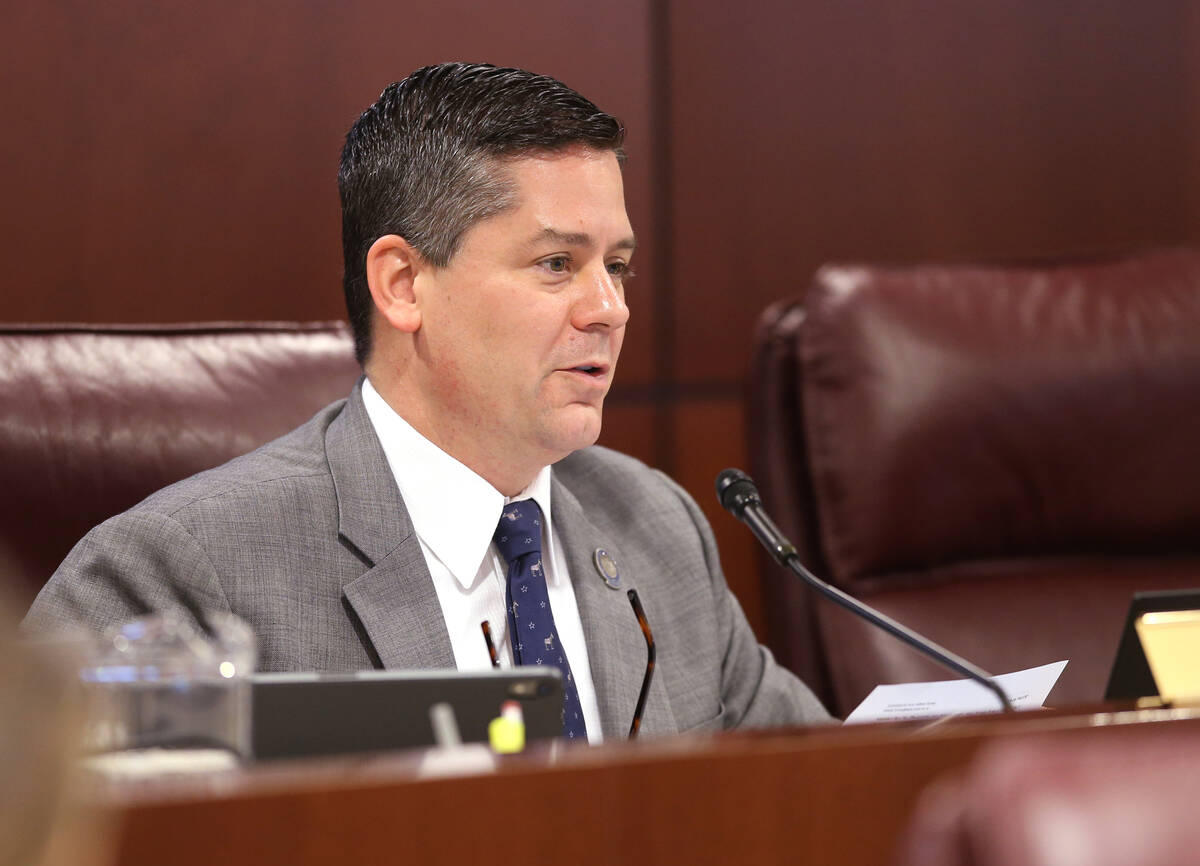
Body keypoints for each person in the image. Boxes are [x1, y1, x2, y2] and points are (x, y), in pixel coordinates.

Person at [25, 63, 830, 739]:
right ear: (404, 285)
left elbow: (818, 794)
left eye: (615, 266)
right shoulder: (180, 575)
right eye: (556, 264)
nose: (609, 307)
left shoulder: (655, 524)